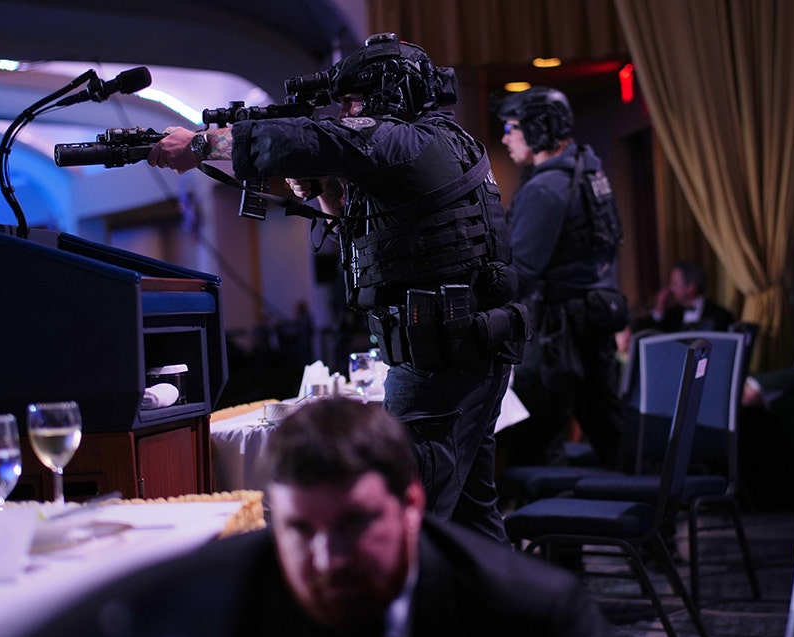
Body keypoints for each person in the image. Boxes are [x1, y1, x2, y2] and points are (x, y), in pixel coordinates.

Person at [0, 399, 700, 637]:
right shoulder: (221, 600)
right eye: (301, 530)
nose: (326, 557)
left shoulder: (518, 603)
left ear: (412, 505)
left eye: (356, 523)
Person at [148, 33, 526, 544]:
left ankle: (412, 601)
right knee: (471, 518)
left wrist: (202, 144)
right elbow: (366, 235)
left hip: (440, 364)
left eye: (353, 101)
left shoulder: (411, 142)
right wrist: (326, 189)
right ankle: (501, 596)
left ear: (392, 93)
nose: (347, 112)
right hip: (463, 352)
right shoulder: (441, 144)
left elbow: (315, 138)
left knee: (404, 526)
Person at [491, 86, 627, 468]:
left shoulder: (545, 188)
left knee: (530, 444)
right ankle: (650, 501)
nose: (505, 138)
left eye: (511, 127)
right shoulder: (589, 171)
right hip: (592, 320)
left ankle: (543, 507)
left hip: (559, 334)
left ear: (537, 128)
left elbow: (522, 272)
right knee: (608, 427)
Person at [633, 262, 735, 333]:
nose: (670, 288)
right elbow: (650, 335)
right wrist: (659, 309)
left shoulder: (720, 316)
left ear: (690, 288)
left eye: (675, 283)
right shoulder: (672, 315)